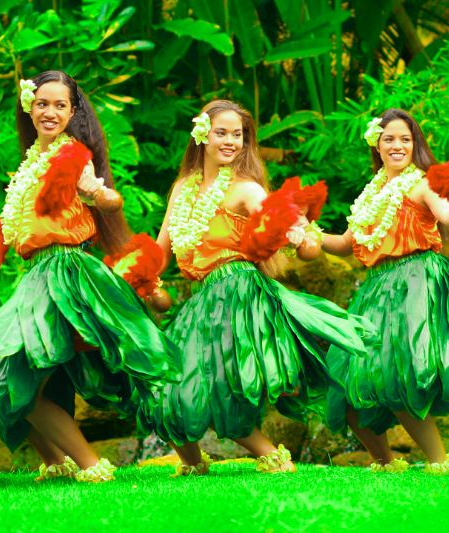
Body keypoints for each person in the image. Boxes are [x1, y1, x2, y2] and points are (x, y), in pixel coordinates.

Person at [0, 70, 180, 483]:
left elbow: (104, 197)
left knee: (14, 375)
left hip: (66, 272)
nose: (50, 111)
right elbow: (14, 228)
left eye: (60, 105)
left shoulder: (73, 156)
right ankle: (57, 461)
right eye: (42, 103)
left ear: (73, 112)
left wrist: (98, 192)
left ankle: (91, 465)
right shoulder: (29, 164)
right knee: (11, 377)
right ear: (29, 107)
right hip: (39, 274)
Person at [137, 100, 375, 475]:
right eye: (222, 132)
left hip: (239, 295)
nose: (231, 141)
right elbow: (161, 247)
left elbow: (280, 222)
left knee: (218, 386)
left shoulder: (246, 190)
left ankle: (271, 456)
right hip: (203, 300)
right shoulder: (183, 188)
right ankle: (193, 464)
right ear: (202, 135)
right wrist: (140, 277)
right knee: (165, 385)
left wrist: (297, 232)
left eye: (238, 134)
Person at [322, 108, 449, 474]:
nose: (397, 145)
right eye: (389, 139)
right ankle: (384, 462)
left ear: (415, 145)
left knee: (397, 377)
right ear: (376, 146)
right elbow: (345, 243)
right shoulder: (371, 194)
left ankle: (440, 461)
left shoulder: (422, 183)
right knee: (348, 383)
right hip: (378, 288)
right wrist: (308, 233)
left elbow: (447, 217)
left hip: (415, 283)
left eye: (405, 139)